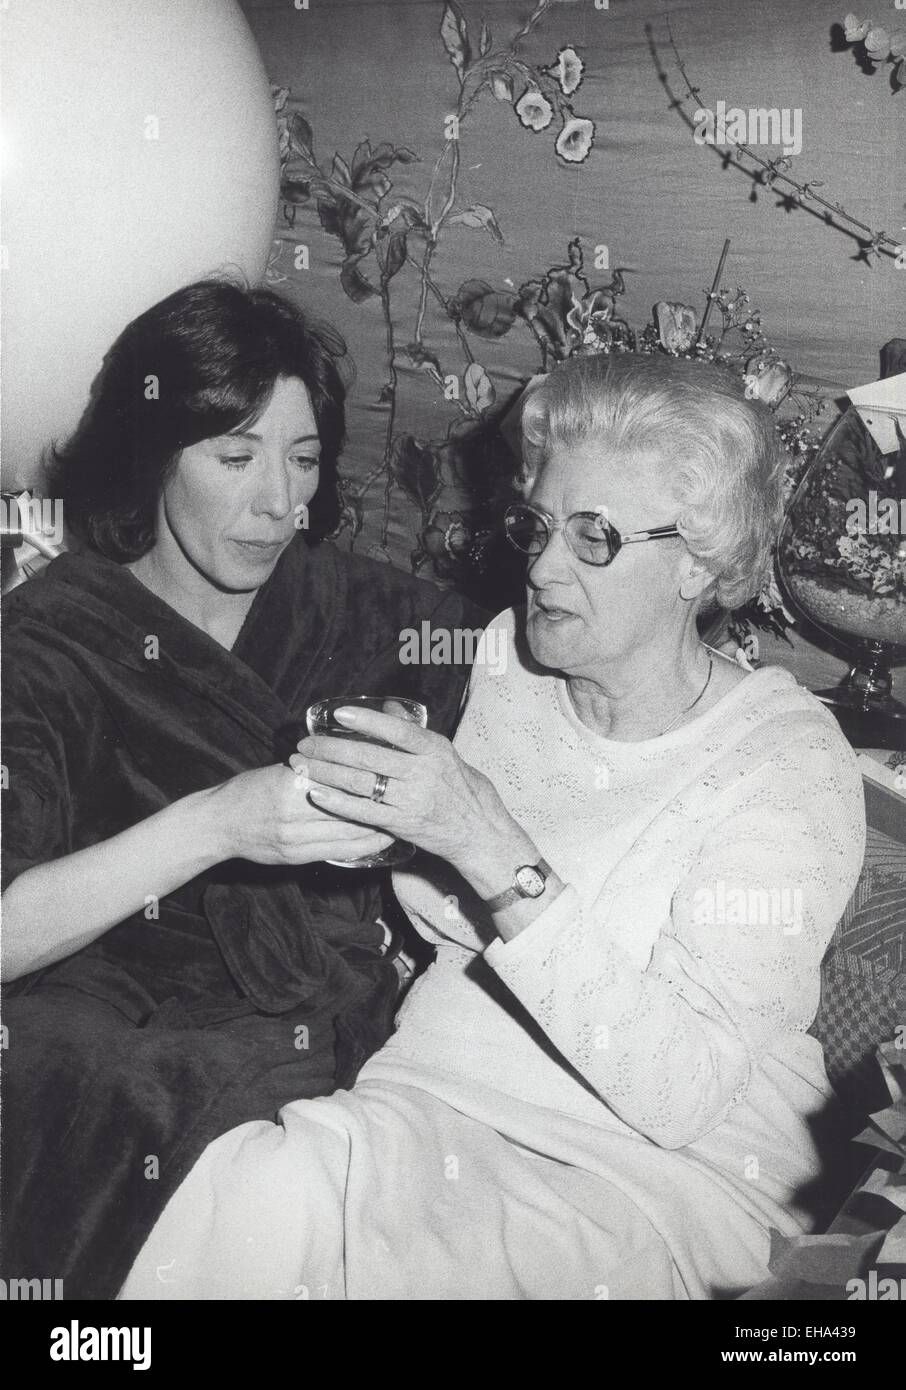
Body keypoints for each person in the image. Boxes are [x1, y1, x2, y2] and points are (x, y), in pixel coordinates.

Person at [121, 350, 866, 1301]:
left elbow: (682, 1092)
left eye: (594, 537)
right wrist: (381, 816)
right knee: (242, 1201)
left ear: (697, 561)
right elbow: (439, 906)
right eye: (539, 525)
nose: (545, 566)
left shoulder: (784, 759)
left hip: (647, 1178)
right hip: (431, 1097)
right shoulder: (506, 663)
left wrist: (486, 841)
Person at [0, 279, 481, 1299]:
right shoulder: (55, 636)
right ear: (151, 455)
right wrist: (220, 823)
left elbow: (528, 722)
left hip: (331, 1012)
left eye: (304, 460)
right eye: (235, 457)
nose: (281, 503)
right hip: (97, 1007)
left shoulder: (371, 609)